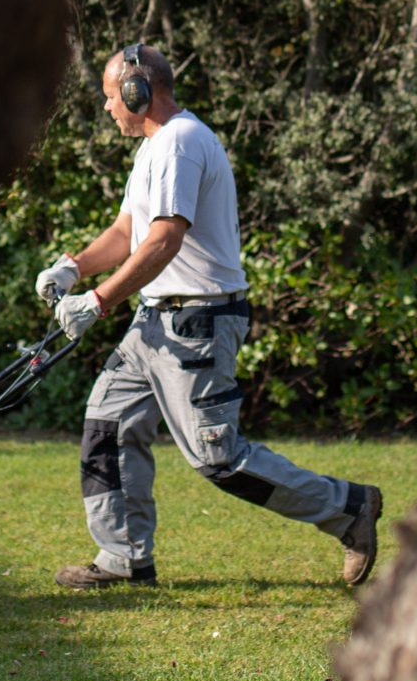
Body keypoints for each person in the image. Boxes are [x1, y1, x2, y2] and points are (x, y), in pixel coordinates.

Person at [37, 44, 383, 590]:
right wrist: (72, 268)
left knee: (219, 459)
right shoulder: (153, 150)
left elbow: (164, 240)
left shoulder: (181, 143)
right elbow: (128, 232)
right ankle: (123, 558)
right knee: (108, 425)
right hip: (154, 323)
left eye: (111, 98)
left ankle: (348, 507)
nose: (107, 109)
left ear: (138, 92)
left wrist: (99, 301)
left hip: (196, 322)